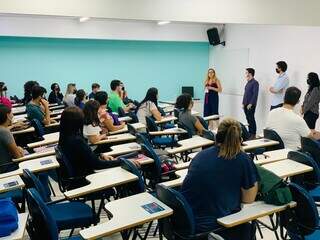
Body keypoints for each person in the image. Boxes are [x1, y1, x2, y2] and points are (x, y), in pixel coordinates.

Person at [181, 118, 258, 240]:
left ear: (217, 137)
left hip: (184, 222)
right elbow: (248, 199)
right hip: (211, 228)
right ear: (241, 140)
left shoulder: (201, 155)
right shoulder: (242, 159)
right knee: (249, 226)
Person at [58, 106, 139, 178]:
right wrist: (122, 162)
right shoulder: (77, 141)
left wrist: (101, 155)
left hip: (83, 172)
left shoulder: (64, 138)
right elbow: (98, 165)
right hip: (90, 176)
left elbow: (85, 156)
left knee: (131, 155)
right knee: (131, 160)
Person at [0, 104, 24, 172]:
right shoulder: (4, 132)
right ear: (8, 116)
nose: (13, 115)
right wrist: (19, 149)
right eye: (11, 113)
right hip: (7, 169)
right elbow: (18, 156)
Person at [242, 68, 259, 139]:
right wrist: (243, 103)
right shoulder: (248, 82)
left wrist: (251, 103)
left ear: (250, 73)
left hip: (250, 105)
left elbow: (255, 94)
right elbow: (245, 94)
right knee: (248, 118)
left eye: (246, 73)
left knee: (251, 118)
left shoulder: (255, 83)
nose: (245, 74)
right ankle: (250, 133)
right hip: (245, 104)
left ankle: (253, 134)